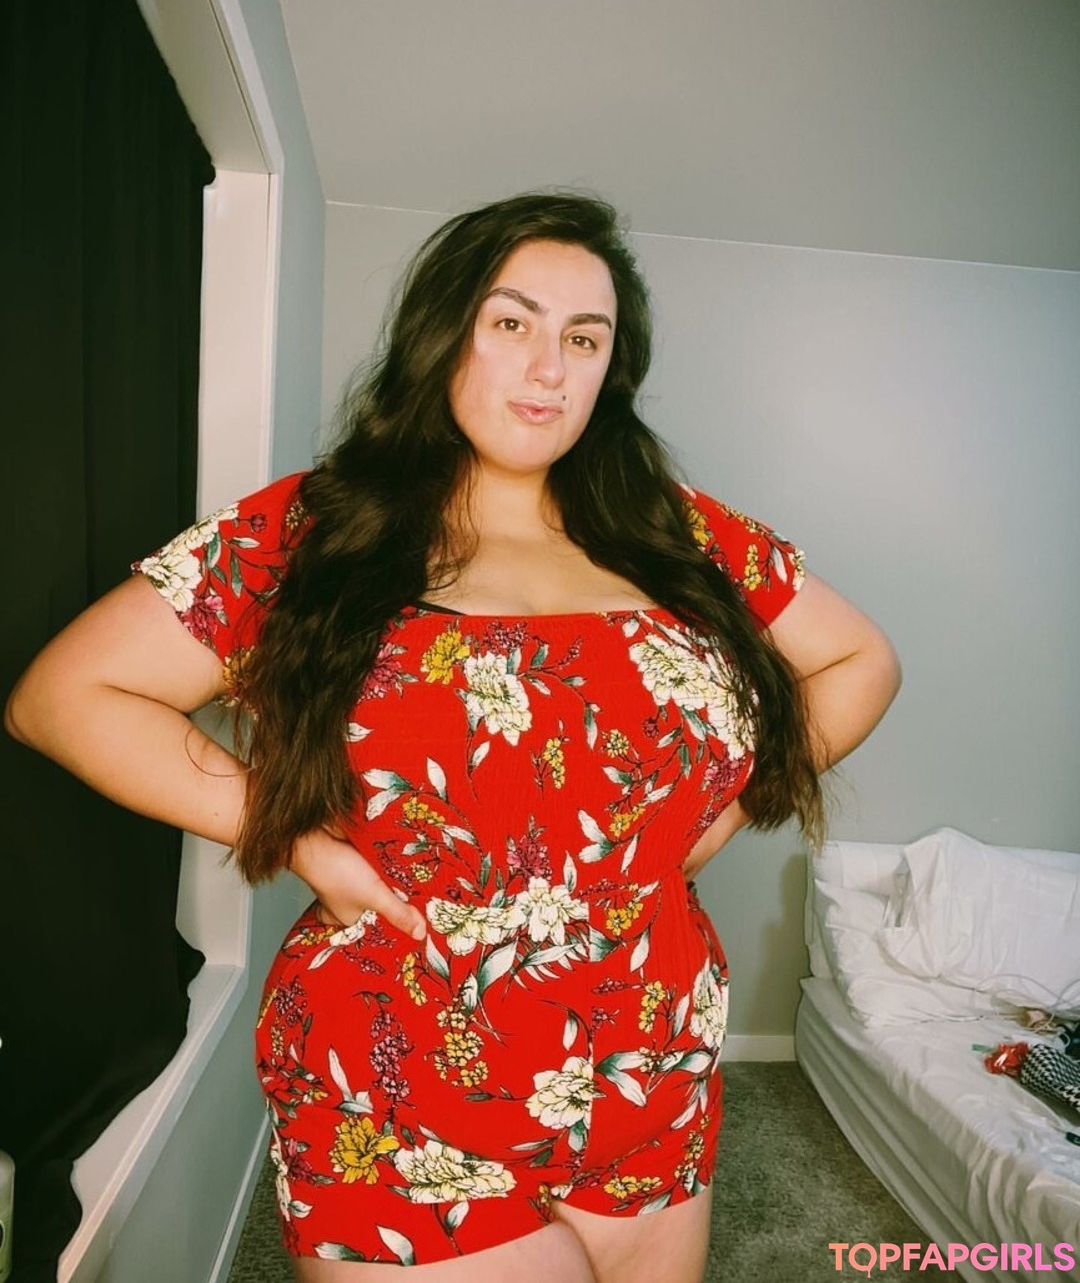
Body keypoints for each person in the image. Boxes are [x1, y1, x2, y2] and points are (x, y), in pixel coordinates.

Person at [5, 192, 900, 1282]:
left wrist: (724, 815)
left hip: (651, 1070)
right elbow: (64, 695)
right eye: (511, 322)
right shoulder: (314, 529)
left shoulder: (678, 530)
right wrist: (298, 838)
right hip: (400, 1084)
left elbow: (862, 661)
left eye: (585, 339)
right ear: (442, 335)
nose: (549, 367)